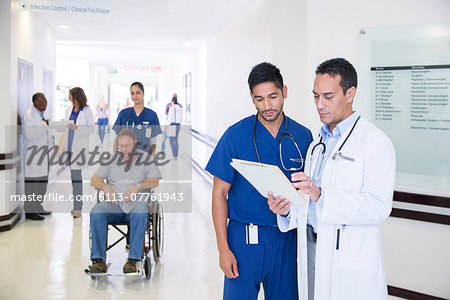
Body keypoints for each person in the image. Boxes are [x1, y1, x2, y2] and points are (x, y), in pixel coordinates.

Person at [268, 58, 396, 300]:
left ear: (350, 93)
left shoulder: (375, 142)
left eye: (328, 96)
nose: (319, 104)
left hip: (348, 258)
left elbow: (379, 207)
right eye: (316, 96)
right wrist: (285, 211)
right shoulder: (318, 143)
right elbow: (310, 204)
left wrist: (322, 194)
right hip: (311, 250)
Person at [205, 62, 313, 300]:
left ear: (284, 92)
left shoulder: (303, 136)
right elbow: (219, 194)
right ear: (252, 98)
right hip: (244, 239)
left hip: (287, 240)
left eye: (273, 97)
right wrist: (223, 249)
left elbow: (309, 191)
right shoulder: (235, 136)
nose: (267, 106)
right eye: (259, 99)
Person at [89, 128, 161, 274]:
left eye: (127, 146)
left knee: (141, 211)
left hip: (136, 206)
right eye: (121, 146)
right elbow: (94, 180)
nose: (124, 150)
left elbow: (155, 181)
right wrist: (105, 187)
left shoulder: (146, 158)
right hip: (114, 206)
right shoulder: (111, 159)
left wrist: (138, 186)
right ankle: (98, 261)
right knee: (96, 211)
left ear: (135, 143)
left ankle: (133, 261)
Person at [64, 87, 94, 218]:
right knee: (73, 177)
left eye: (71, 97)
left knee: (76, 177)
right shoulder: (69, 109)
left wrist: (78, 128)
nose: (70, 99)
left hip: (79, 148)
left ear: (78, 97)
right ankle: (76, 206)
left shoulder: (87, 111)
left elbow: (91, 129)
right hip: (69, 147)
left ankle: (78, 208)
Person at [22, 93, 52, 220]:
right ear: (35, 103)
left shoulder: (39, 114)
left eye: (45, 103)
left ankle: (38, 206)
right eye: (42, 103)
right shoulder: (29, 115)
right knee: (33, 185)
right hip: (33, 156)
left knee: (42, 183)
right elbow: (29, 134)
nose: (45, 105)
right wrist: (44, 124)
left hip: (42, 154)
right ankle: (30, 211)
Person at [113, 82, 162, 154]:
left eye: (138, 93)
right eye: (132, 93)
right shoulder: (123, 114)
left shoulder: (152, 115)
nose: (135, 96)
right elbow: (116, 139)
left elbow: (153, 142)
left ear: (143, 93)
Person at [167, 96, 182, 160]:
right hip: (178, 125)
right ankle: (176, 155)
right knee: (175, 140)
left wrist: (167, 125)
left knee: (170, 140)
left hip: (172, 125)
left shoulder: (172, 108)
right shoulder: (180, 108)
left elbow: (170, 118)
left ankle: (174, 156)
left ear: (172, 102)